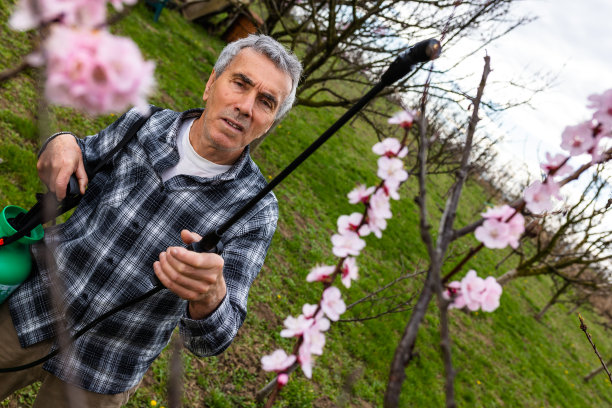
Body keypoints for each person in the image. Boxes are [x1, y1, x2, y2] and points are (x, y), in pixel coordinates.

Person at [0, 34, 302, 407]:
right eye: (240, 83)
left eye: (266, 101)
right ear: (211, 84)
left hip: (104, 368)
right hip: (33, 307)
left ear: (270, 123)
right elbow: (79, 159)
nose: (245, 106)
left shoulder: (256, 209)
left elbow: (214, 338)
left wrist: (209, 295)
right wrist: (61, 141)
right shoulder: (143, 123)